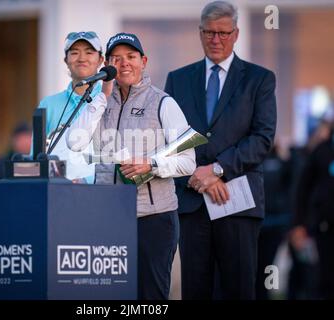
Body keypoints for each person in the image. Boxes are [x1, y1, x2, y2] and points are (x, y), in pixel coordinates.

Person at [67, 32, 196, 299]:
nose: (124, 63)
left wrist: (150, 164)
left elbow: (188, 162)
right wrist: (102, 96)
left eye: (131, 57)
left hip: (154, 218)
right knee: (112, 296)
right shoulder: (98, 102)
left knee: (150, 297)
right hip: (109, 218)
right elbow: (74, 142)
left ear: (143, 61)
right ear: (107, 64)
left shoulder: (163, 103)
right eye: (117, 57)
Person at [164, 1, 277, 299]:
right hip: (192, 203)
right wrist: (193, 176)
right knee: (195, 291)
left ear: (236, 34)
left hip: (238, 202)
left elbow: (263, 138)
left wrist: (216, 170)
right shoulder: (178, 79)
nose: (217, 40)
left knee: (238, 290)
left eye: (224, 33)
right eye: (210, 33)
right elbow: (170, 139)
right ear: (200, 33)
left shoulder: (259, 79)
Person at [36, 31, 105, 183]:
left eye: (89, 52)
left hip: (103, 194)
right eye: (74, 53)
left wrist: (87, 180)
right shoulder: (48, 104)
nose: (81, 58)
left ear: (101, 60)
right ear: (66, 60)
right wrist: (60, 180)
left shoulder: (113, 101)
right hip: (58, 194)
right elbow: (36, 158)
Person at [290, 116, 334, 299]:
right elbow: (303, 189)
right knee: (323, 279)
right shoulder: (322, 151)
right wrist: (298, 224)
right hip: (325, 228)